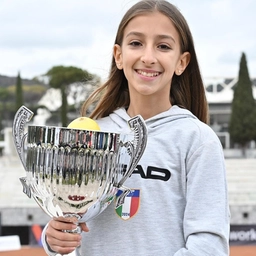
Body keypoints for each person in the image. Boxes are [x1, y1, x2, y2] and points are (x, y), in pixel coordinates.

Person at [42, 0, 230, 255]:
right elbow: (72, 217)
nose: (148, 57)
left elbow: (209, 246)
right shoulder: (93, 135)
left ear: (182, 62)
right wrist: (54, 239)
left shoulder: (197, 140)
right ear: (119, 56)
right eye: (136, 43)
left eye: (163, 46)